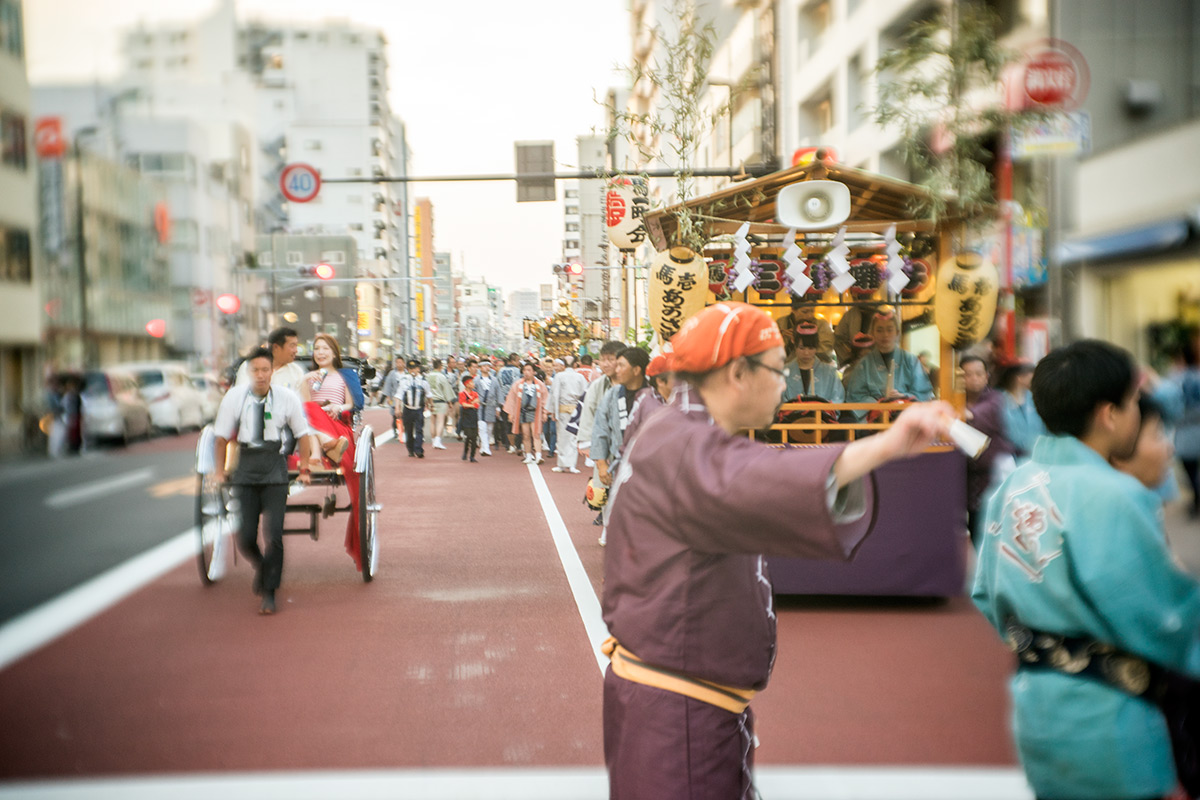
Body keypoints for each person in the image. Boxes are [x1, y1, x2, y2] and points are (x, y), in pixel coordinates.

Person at [601, 301, 951, 799]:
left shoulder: (671, 430)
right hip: (678, 712)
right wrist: (889, 444)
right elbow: (766, 475)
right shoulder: (685, 447)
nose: (786, 381)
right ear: (738, 373)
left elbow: (756, 469)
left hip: (676, 700)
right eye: (777, 367)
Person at [971, 339, 1200, 800]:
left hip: (1038, 704)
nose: (1138, 413)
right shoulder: (1115, 495)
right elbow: (1160, 614)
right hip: (1109, 714)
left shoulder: (1011, 488)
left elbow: (986, 594)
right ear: (1108, 413)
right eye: (1134, 402)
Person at [213, 347, 313, 615]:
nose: (260, 375)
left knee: (275, 536)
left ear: (272, 371)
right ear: (248, 372)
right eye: (255, 370)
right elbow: (221, 437)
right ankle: (263, 566)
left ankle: (269, 591)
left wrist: (303, 467)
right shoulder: (235, 397)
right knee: (245, 537)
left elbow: (303, 434)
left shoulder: (286, 397)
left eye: (265, 370)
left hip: (274, 467)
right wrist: (219, 471)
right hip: (245, 466)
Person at [299, 334, 367, 571]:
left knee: (312, 412)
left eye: (325, 348)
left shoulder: (344, 375)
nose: (320, 352)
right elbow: (302, 405)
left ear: (335, 352)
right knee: (307, 409)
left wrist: (339, 407)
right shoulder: (307, 377)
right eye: (316, 348)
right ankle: (324, 450)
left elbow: (352, 403)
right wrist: (305, 380)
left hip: (337, 424)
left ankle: (323, 450)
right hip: (311, 426)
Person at [960, 354, 1015, 547]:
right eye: (967, 374)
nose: (973, 378)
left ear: (986, 376)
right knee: (974, 533)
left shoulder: (997, 398)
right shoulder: (956, 399)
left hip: (993, 477)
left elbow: (984, 414)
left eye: (978, 374)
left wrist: (963, 414)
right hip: (967, 480)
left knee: (997, 533)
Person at [842, 307, 934, 420]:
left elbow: (923, 393)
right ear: (873, 333)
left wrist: (904, 397)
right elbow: (855, 396)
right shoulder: (864, 364)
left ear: (897, 333)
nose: (885, 335)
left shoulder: (911, 361)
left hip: (906, 418)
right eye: (879, 330)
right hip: (874, 420)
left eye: (889, 329)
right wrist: (879, 404)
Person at [997, 360, 1046, 458]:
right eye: (1030, 374)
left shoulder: (1033, 398)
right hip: (1011, 457)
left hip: (1037, 455)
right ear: (1019, 377)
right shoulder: (1000, 399)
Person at [549, 357, 589, 474]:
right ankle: (571, 465)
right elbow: (585, 394)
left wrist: (553, 411)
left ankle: (562, 465)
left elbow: (554, 394)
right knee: (573, 437)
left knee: (562, 438)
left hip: (562, 408)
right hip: (576, 409)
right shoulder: (580, 377)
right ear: (576, 364)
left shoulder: (559, 376)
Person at [503, 362, 548, 465]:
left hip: (535, 412)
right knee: (526, 435)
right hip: (523, 412)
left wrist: (545, 412)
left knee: (536, 433)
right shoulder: (518, 384)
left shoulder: (540, 384)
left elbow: (545, 399)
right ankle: (528, 455)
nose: (526, 372)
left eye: (529, 370)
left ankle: (538, 455)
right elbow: (512, 399)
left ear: (534, 372)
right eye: (525, 370)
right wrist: (511, 413)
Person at [236, 327, 305, 393]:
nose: (296, 351)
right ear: (276, 347)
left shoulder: (296, 371)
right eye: (292, 346)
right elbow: (242, 394)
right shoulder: (250, 365)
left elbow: (298, 401)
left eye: (296, 346)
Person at [776, 299, 835, 364]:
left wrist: (804, 342)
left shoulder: (821, 325)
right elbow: (773, 352)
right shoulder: (781, 323)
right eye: (805, 312)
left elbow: (826, 351)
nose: (810, 315)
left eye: (812, 311)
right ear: (793, 309)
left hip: (816, 367)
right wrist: (782, 339)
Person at [394, 359, 429, 458]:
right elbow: (399, 395)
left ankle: (418, 449)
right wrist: (397, 408)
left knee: (419, 429)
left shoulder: (423, 381)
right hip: (408, 409)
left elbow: (428, 393)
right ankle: (410, 449)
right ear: (408, 370)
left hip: (418, 409)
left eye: (415, 368)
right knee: (408, 430)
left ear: (418, 369)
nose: (413, 370)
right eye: (410, 369)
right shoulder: (404, 380)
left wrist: (430, 404)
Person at [426, 359, 455, 450]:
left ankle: (433, 440)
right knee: (440, 421)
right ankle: (438, 440)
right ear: (440, 366)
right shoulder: (442, 376)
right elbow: (446, 390)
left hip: (431, 401)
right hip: (440, 401)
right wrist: (450, 402)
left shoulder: (428, 376)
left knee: (432, 421)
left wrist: (426, 402)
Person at [495, 353, 521, 453]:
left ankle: (510, 445)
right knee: (516, 422)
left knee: (506, 423)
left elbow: (498, 386)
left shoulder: (500, 371)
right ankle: (517, 445)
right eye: (517, 360)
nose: (519, 363)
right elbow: (517, 385)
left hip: (503, 399)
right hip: (514, 399)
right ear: (513, 361)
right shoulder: (516, 371)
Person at [475, 359, 499, 456]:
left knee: (489, 428)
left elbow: (498, 393)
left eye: (488, 366)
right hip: (480, 406)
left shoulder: (494, 380)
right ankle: (486, 448)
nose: (486, 367)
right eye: (484, 366)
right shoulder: (476, 380)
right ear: (480, 368)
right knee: (482, 427)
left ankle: (484, 446)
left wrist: (498, 408)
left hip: (491, 405)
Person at [380, 356, 405, 440]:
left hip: (405, 399)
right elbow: (388, 385)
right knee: (395, 415)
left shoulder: (407, 373)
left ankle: (402, 431)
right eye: (397, 362)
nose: (399, 364)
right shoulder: (392, 373)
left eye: (400, 362)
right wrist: (388, 397)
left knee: (404, 415)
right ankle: (396, 430)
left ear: (404, 363)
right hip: (394, 397)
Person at [458, 374, 480, 462]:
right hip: (466, 416)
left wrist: (470, 404)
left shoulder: (475, 393)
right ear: (466, 384)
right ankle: (465, 452)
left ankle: (472, 456)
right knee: (469, 436)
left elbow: (477, 404)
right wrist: (472, 404)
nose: (473, 384)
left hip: (474, 416)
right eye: (471, 382)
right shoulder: (462, 393)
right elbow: (463, 404)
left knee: (474, 437)